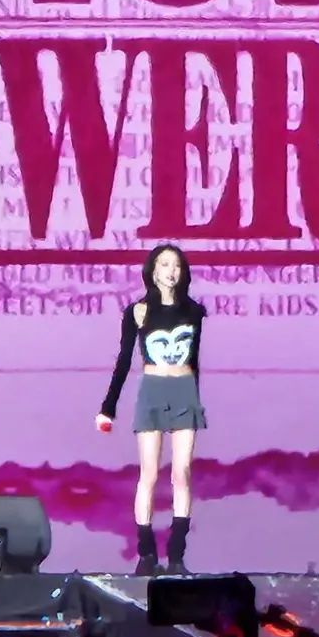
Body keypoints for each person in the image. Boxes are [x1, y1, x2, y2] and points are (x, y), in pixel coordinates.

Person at [96, 244, 207, 575]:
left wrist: (195, 397)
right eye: (165, 264)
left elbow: (195, 360)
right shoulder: (138, 312)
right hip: (152, 389)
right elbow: (123, 361)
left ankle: (176, 554)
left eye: (177, 265)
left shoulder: (193, 312)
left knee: (182, 473)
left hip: (184, 389)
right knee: (149, 473)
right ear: (153, 271)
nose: (171, 271)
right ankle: (146, 553)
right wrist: (108, 407)